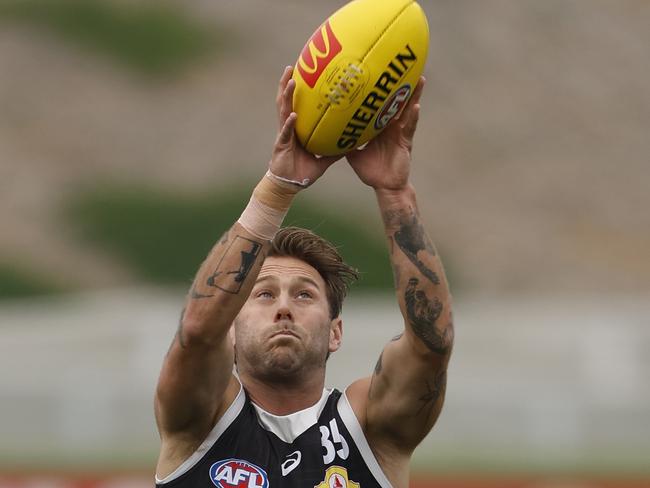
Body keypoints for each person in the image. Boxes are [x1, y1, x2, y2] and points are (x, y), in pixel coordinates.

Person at [154, 66, 454, 488]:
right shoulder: (200, 420)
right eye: (263, 295)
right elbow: (198, 332)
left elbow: (432, 347)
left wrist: (395, 193)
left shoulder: (370, 427)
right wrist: (278, 188)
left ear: (335, 332)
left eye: (304, 295)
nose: (283, 308)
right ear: (232, 333)